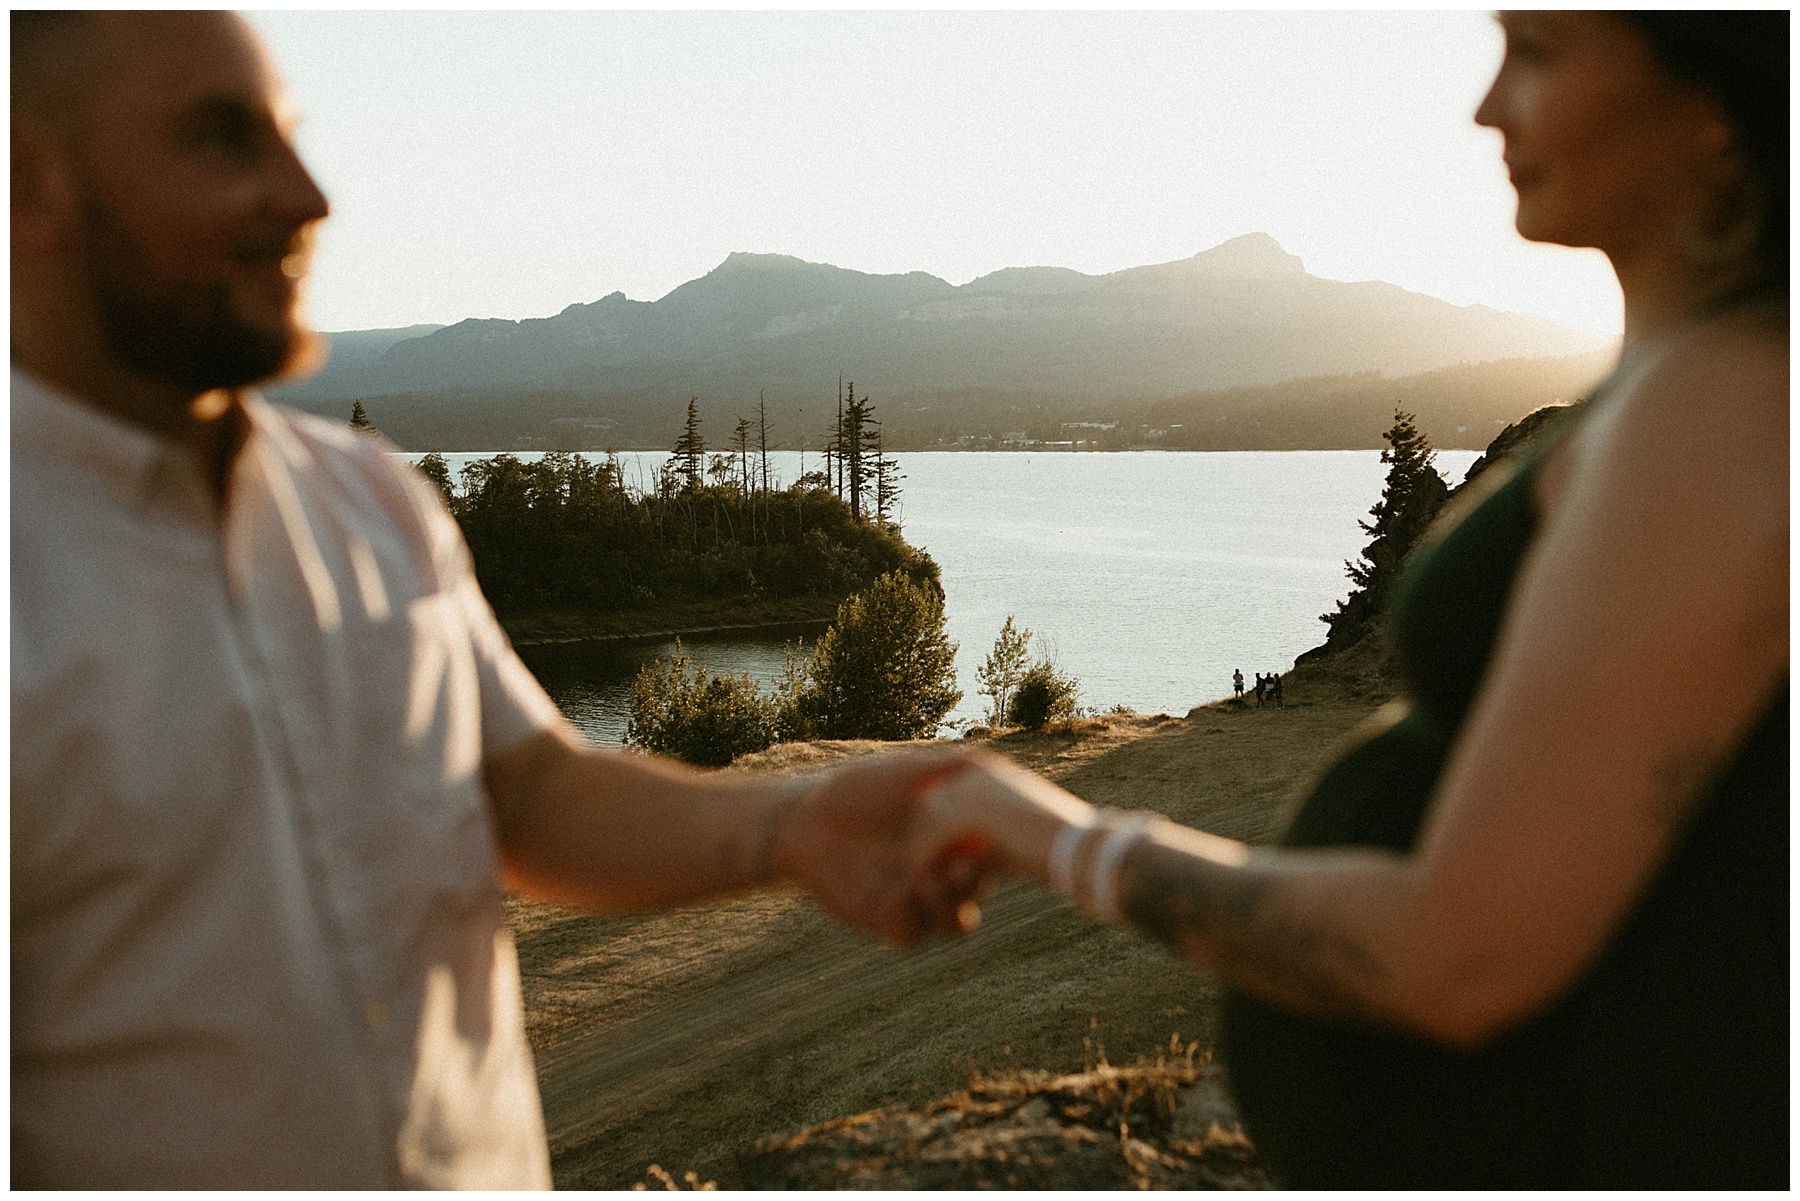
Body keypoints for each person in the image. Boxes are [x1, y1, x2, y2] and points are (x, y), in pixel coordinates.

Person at [10, 12, 976, 1188]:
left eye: (294, 139)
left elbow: (534, 789)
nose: (310, 197)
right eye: (225, 140)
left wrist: (792, 824)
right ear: (34, 178)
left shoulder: (372, 504)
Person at [914, 10, 1785, 1189]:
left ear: (1714, 98)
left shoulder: (1727, 401)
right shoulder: (1684, 379)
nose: (1487, 107)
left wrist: (1049, 835)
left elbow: (1468, 953)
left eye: (1537, 53)